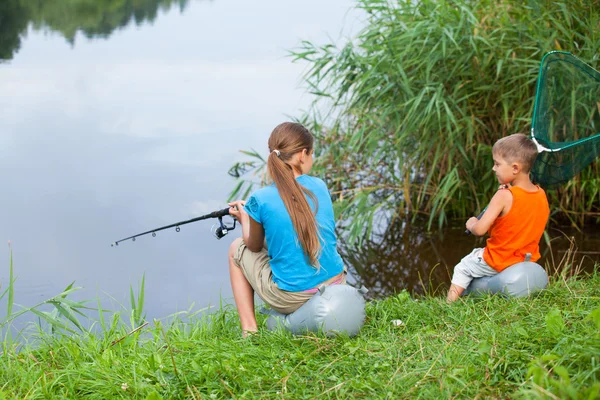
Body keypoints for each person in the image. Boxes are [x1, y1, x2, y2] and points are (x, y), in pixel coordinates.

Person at [227, 122, 346, 336]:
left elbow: (252, 246)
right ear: (302, 154)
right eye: (312, 153)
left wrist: (245, 218)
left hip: (292, 298)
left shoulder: (260, 199)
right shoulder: (320, 185)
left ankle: (249, 331)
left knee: (236, 247)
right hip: (337, 282)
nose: (311, 158)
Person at [447, 133, 550, 302]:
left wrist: (472, 223)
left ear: (515, 168)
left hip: (500, 259)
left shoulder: (503, 196)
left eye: (497, 164)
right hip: (525, 259)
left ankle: (448, 305)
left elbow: (480, 230)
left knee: (463, 267)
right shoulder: (540, 194)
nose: (493, 169)